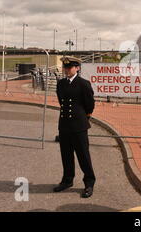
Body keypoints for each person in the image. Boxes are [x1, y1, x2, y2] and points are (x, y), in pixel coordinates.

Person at [53, 56, 96, 198]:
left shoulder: (84, 84)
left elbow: (89, 105)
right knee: (66, 155)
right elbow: (61, 101)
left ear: (77, 68)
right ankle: (67, 180)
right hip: (64, 125)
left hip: (79, 126)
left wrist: (84, 117)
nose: (66, 70)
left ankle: (89, 183)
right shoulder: (61, 84)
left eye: (69, 67)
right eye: (65, 67)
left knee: (83, 155)